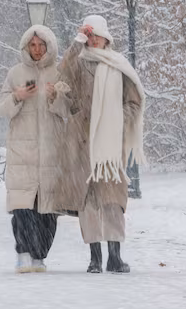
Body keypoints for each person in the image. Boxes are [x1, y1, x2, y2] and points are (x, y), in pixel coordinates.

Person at [54, 15, 145, 274]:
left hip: (110, 146)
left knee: (113, 200)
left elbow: (134, 102)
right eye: (89, 35)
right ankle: (95, 258)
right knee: (88, 201)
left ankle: (115, 256)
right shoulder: (78, 63)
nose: (93, 40)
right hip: (82, 142)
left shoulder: (119, 65)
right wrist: (77, 42)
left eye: (96, 35)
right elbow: (62, 73)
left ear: (107, 38)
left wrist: (116, 120)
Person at [0, 25, 69, 273]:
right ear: (26, 47)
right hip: (22, 152)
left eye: (41, 45)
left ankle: (40, 255)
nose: (37, 50)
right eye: (33, 45)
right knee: (22, 208)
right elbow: (1, 109)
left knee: (47, 210)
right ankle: (23, 253)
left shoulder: (59, 73)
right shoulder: (15, 73)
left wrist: (55, 96)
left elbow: (70, 109)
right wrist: (17, 96)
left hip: (51, 152)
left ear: (49, 47)